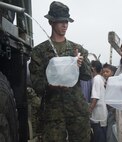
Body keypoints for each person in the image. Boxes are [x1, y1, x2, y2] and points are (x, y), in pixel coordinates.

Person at [29, 1, 92, 142]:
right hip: (52, 111)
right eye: (60, 21)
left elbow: (87, 76)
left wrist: (80, 64)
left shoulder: (77, 50)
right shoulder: (39, 52)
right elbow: (36, 83)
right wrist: (50, 85)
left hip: (77, 109)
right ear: (51, 22)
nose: (64, 25)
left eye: (66, 21)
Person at [89, 60, 107, 142]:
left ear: (93, 68)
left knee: (98, 138)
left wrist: (89, 111)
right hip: (103, 114)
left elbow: (95, 98)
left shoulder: (96, 79)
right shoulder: (102, 79)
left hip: (98, 116)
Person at [101, 63, 118, 142]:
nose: (104, 73)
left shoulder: (114, 83)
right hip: (109, 111)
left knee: (111, 133)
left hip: (114, 111)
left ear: (112, 73)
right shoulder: (106, 82)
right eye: (103, 72)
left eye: (107, 72)